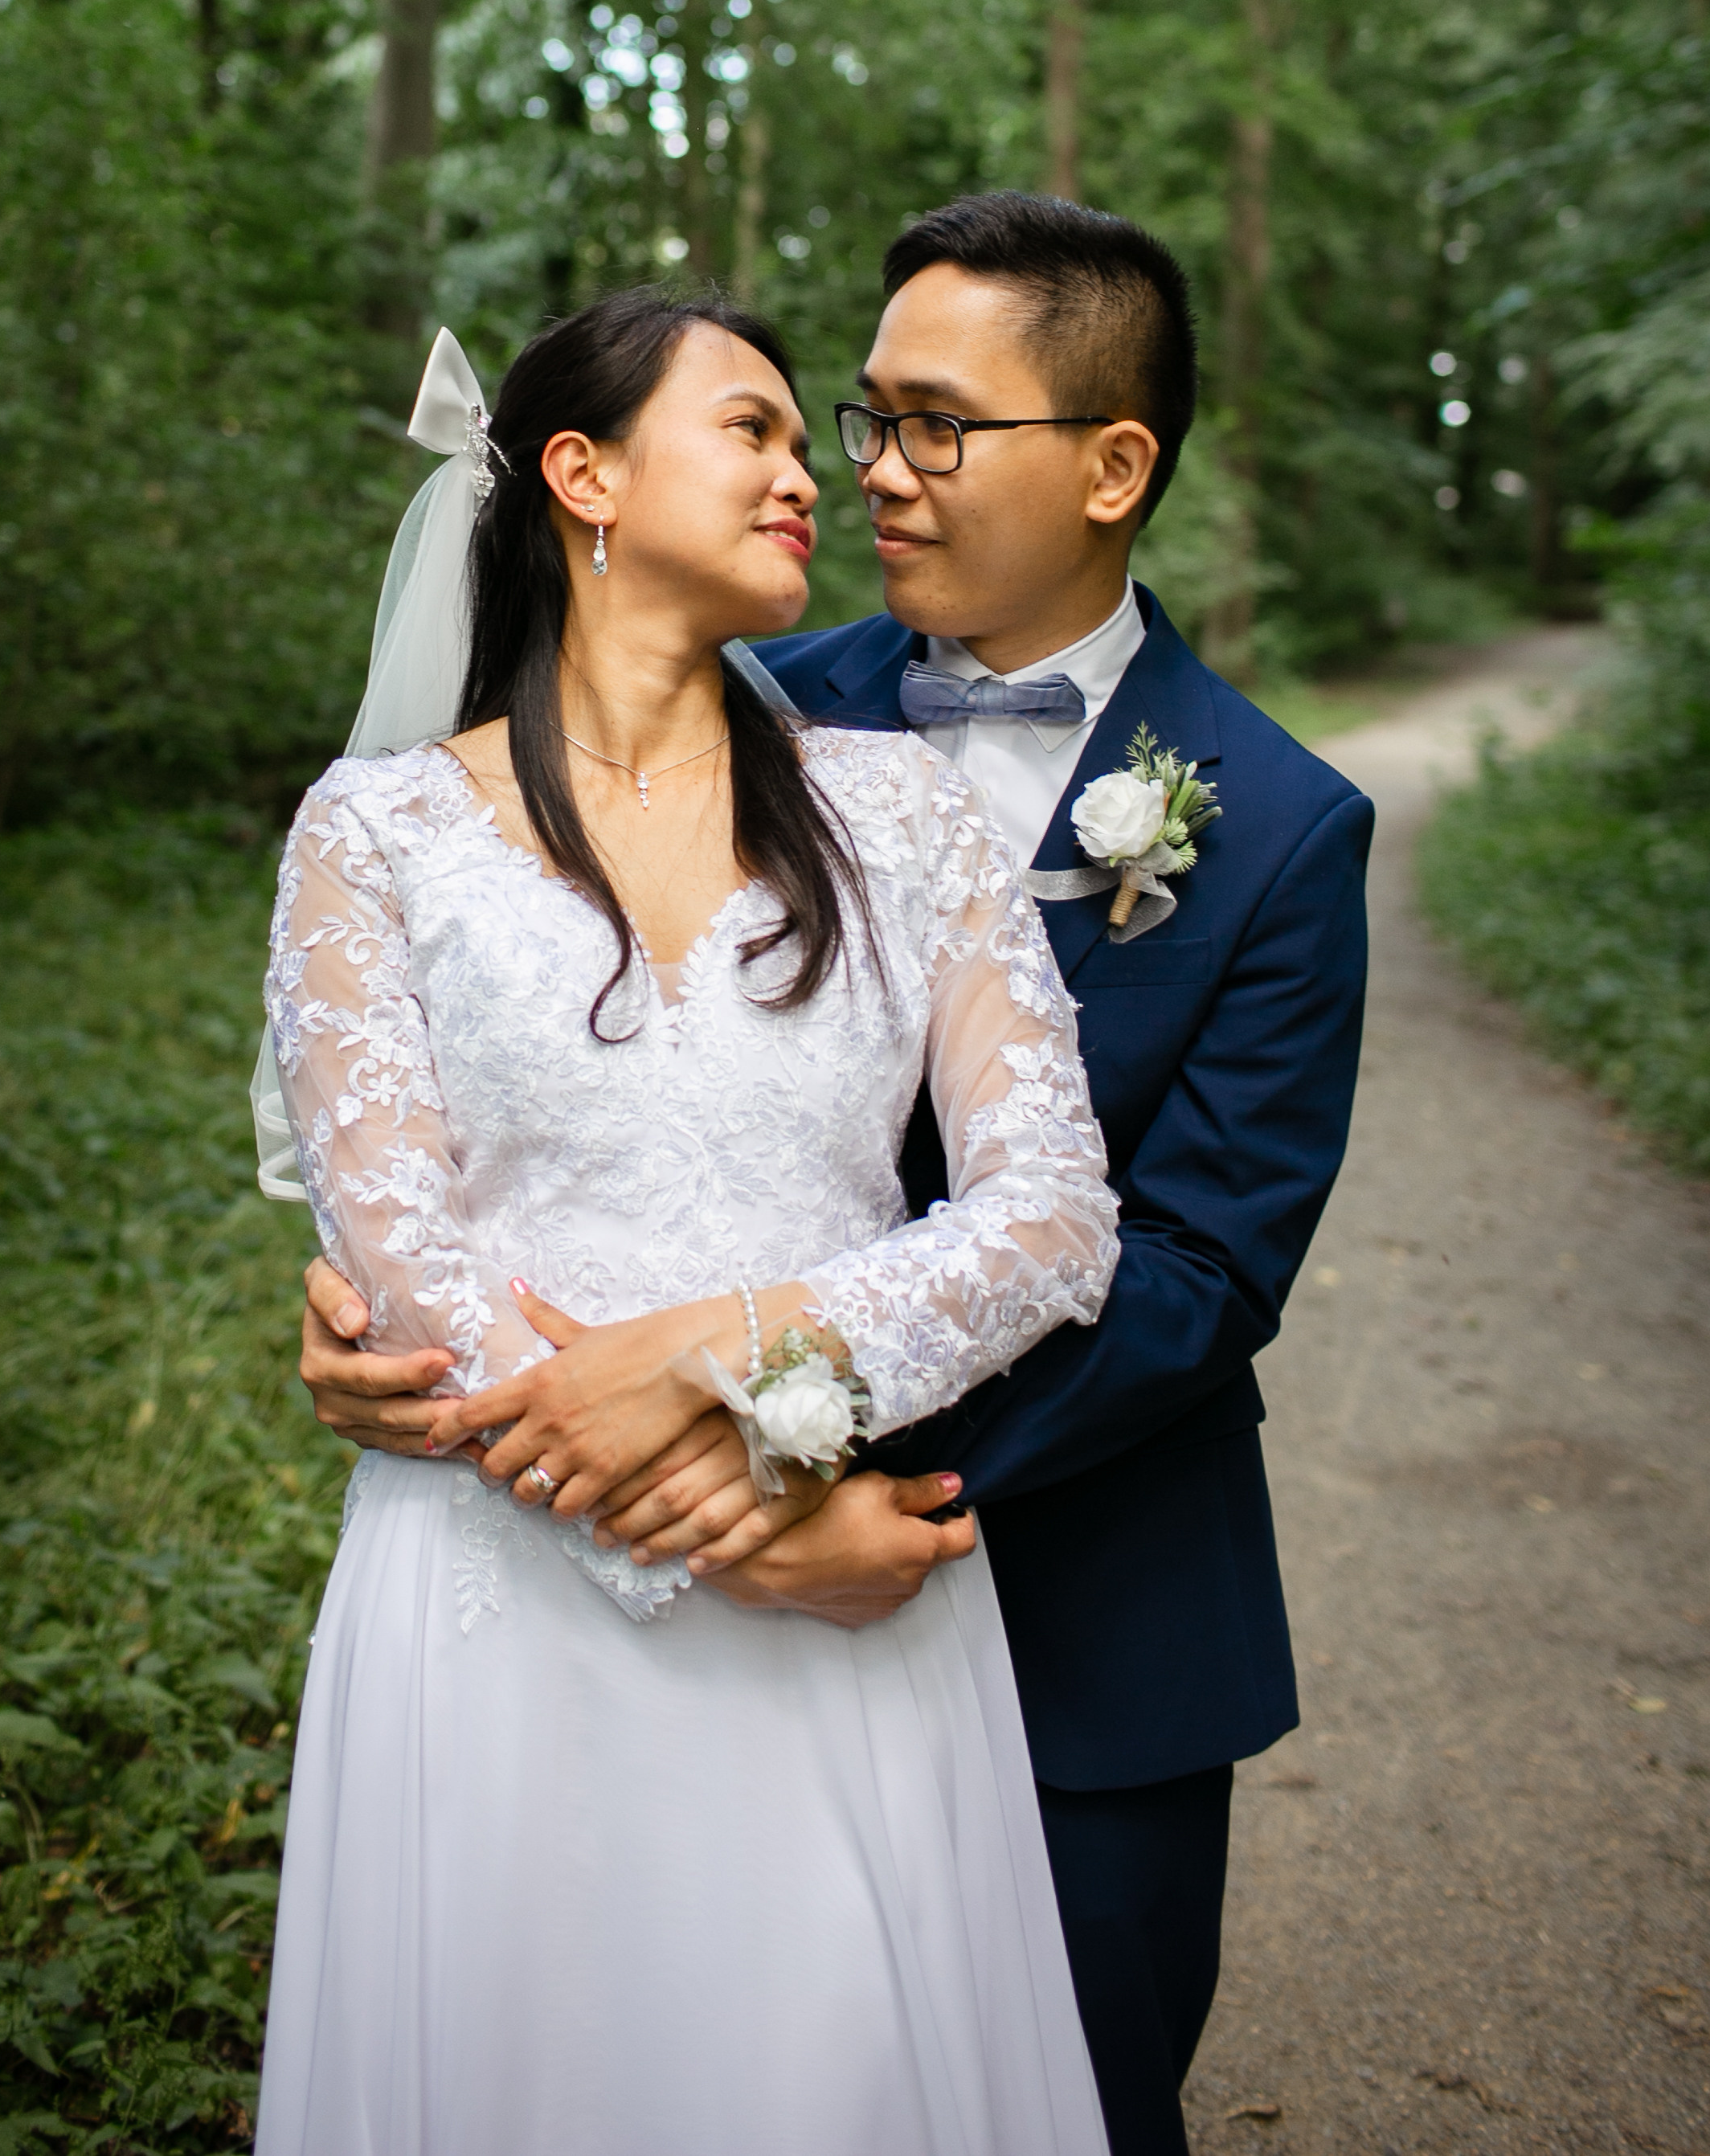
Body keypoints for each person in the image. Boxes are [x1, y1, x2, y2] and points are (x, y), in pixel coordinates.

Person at [299, 195, 1373, 2156]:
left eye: (927, 425)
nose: (864, 470)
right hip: (567, 1556)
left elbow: (1189, 1267)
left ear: (1113, 465)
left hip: (1063, 1600)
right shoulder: (773, 687)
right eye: (845, 420)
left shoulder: (1285, 830)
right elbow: (508, 1124)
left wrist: (781, 1448)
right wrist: (391, 1318)